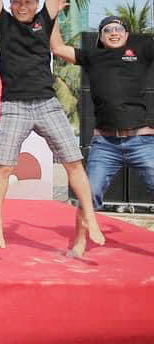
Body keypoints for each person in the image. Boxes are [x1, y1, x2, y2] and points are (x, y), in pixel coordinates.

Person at [0, 0, 104, 250]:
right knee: (3, 167)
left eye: (28, 1)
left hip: (48, 103)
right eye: (17, 1)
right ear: (11, 4)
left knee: (74, 163)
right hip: (14, 105)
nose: (22, 5)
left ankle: (91, 217)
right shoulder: (2, 24)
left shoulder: (44, 20)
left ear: (36, 4)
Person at [50, 13, 150, 255]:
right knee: (89, 192)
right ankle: (79, 242)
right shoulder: (93, 56)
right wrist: (52, 14)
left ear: (127, 34)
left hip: (141, 141)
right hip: (105, 144)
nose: (114, 33)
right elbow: (57, 47)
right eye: (108, 30)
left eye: (118, 29)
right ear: (101, 37)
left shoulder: (142, 51)